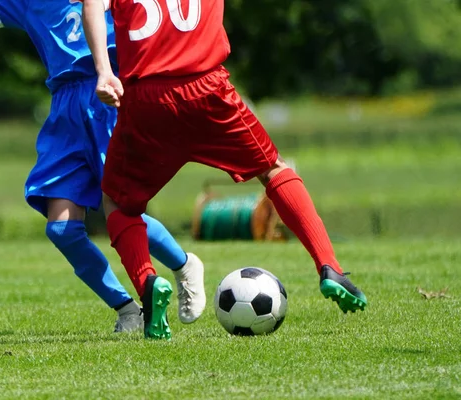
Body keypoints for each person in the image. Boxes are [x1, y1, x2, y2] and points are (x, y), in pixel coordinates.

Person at [81, 0, 368, 339]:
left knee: (118, 203)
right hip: (208, 89)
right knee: (273, 170)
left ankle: (147, 283)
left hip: (147, 99)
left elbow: (91, 5)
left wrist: (104, 70)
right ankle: (328, 265)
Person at [0, 0, 206, 332]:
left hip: (111, 99)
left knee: (120, 211)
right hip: (65, 110)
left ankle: (183, 266)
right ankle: (126, 309)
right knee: (61, 228)